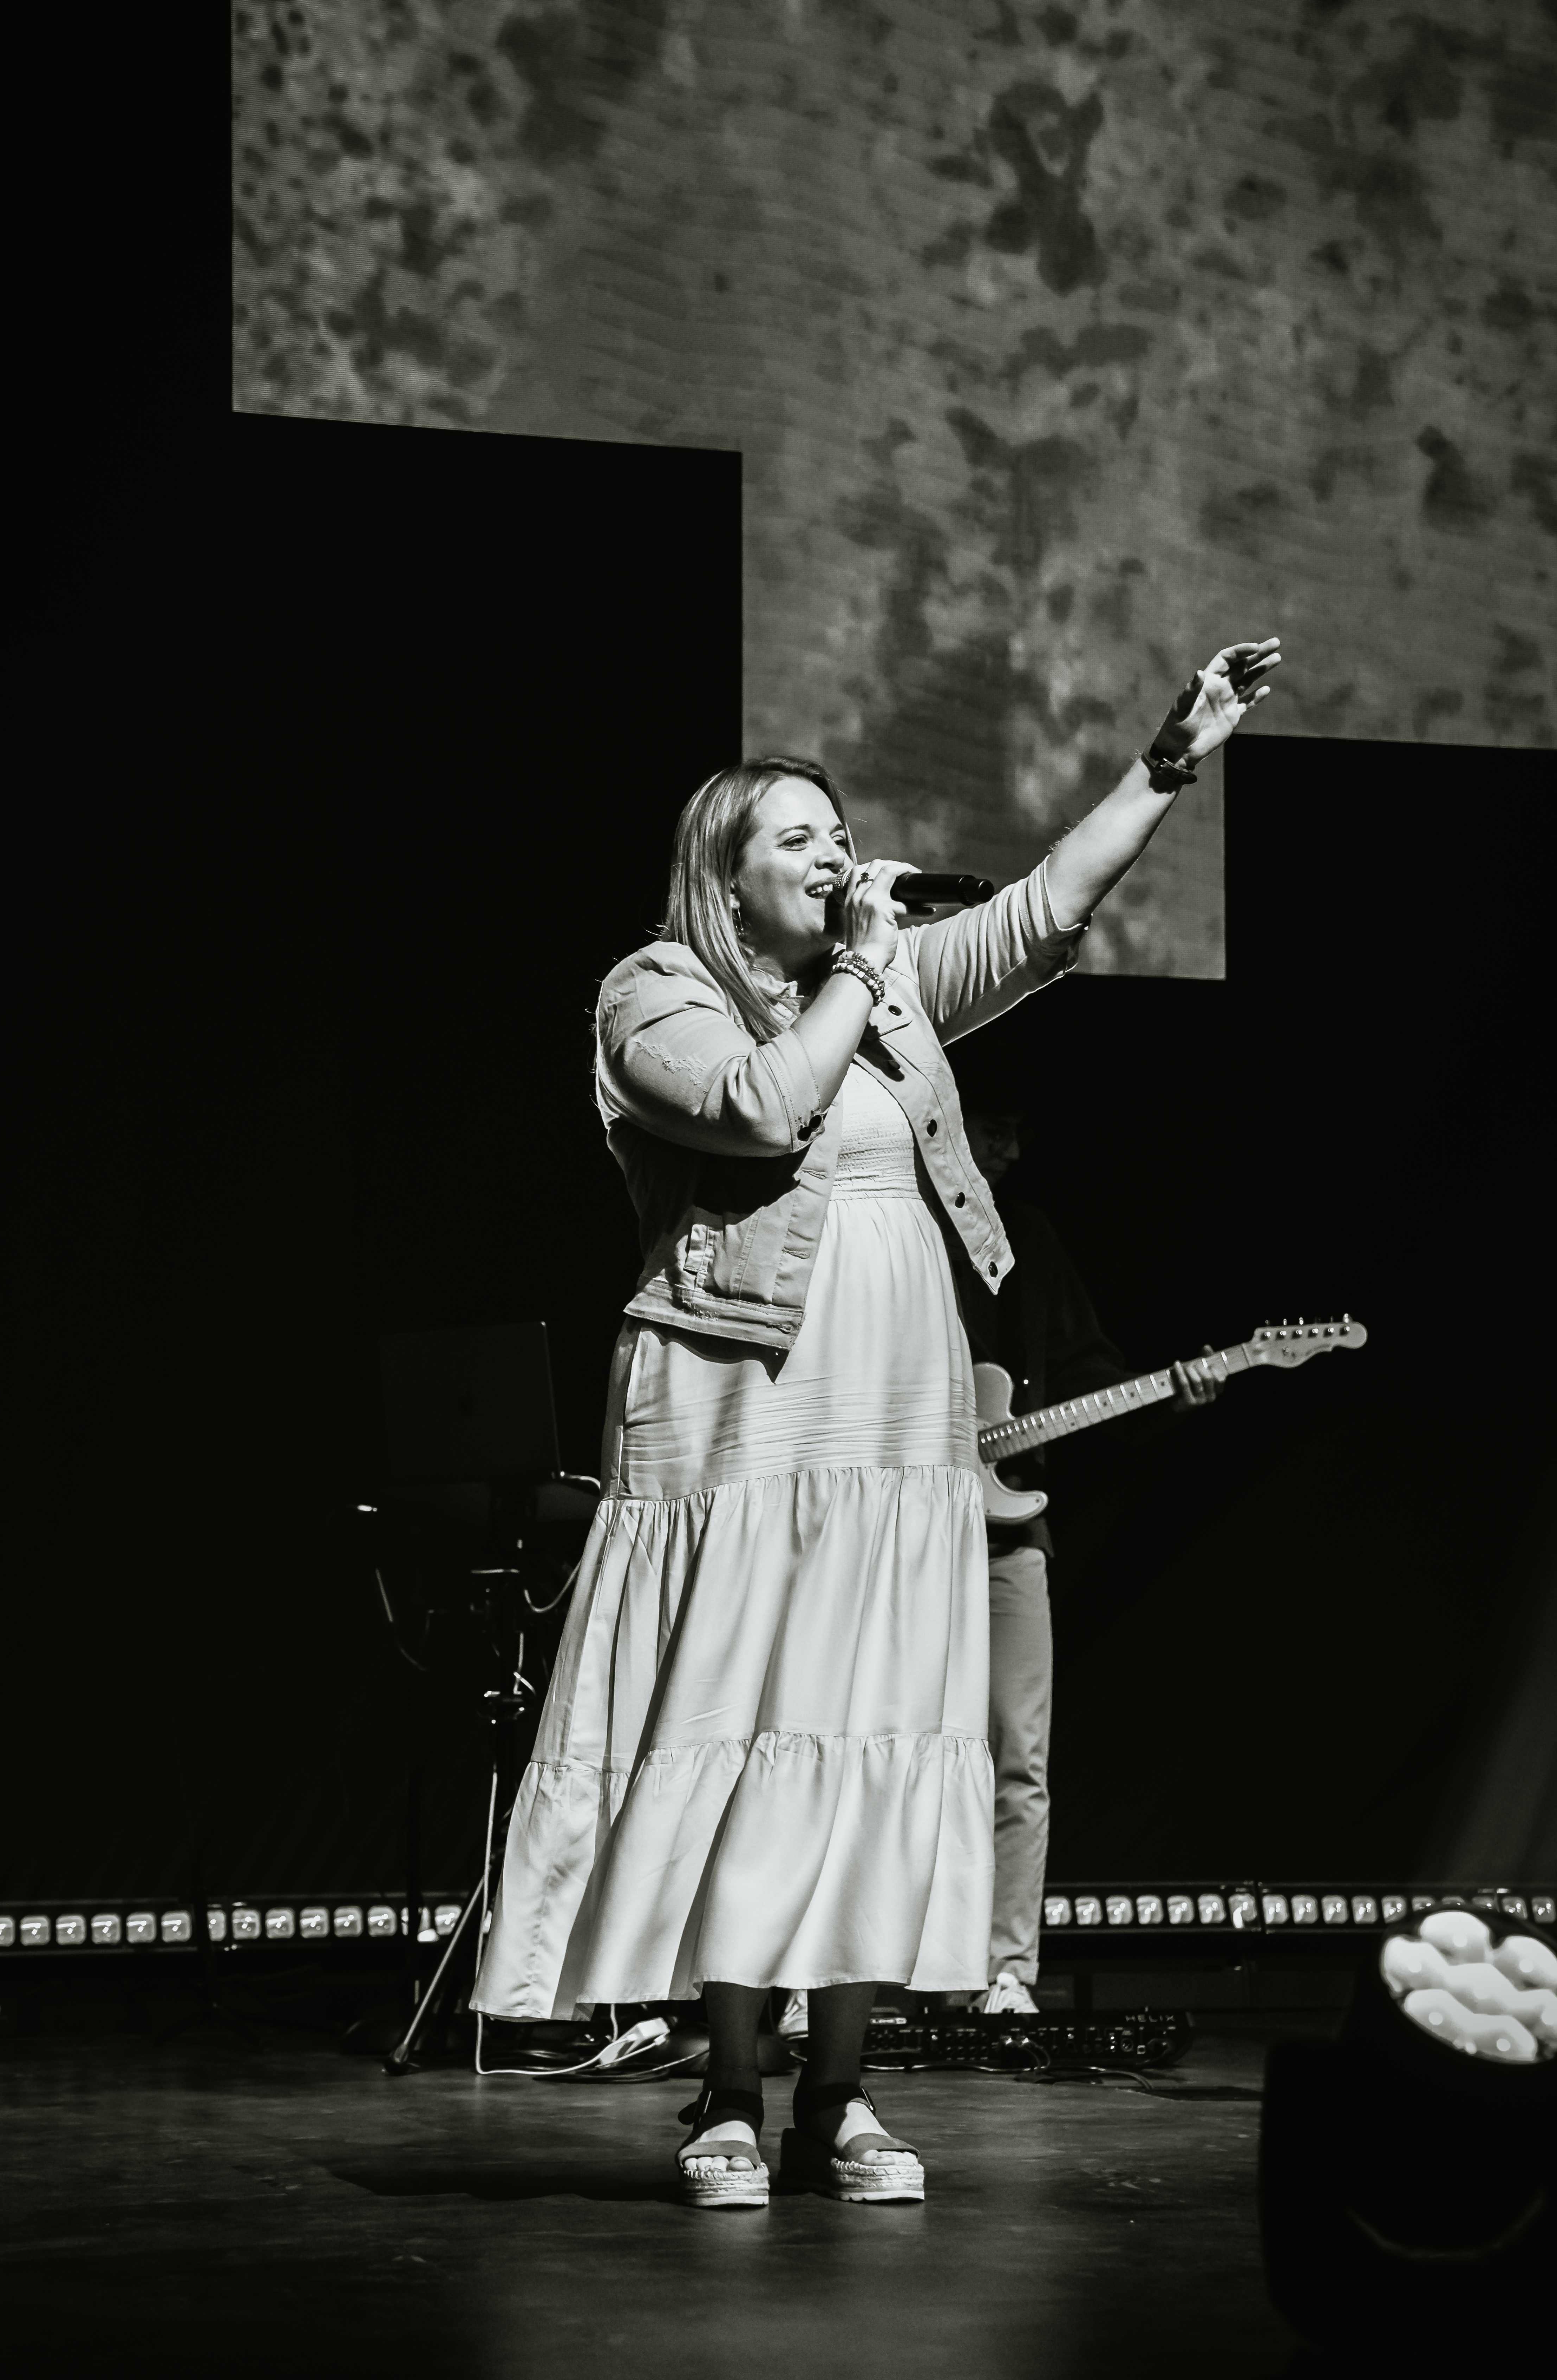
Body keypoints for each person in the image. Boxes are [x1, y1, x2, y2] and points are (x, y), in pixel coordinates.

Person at [471, 640, 1281, 2208]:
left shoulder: (889, 985)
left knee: (873, 1725)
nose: (840, 861)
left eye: (842, 839)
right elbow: (761, 1110)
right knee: (749, 1717)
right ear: (724, 869)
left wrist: (1168, 760)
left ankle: (838, 2095)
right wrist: (856, 964)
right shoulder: (655, 992)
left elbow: (1048, 916)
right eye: (800, 839)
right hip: (743, 1401)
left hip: (898, 1399)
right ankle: (726, 2087)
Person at [950, 1108, 1223, 2017]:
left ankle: (1005, 1974)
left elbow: (1085, 1378)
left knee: (1019, 1758)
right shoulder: (891, 1220)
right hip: (894, 1532)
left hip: (1008, 1533)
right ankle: (840, 1977)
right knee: (878, 1752)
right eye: (996, 1126)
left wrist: (1173, 1397)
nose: (1015, 1147)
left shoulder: (1028, 1238)